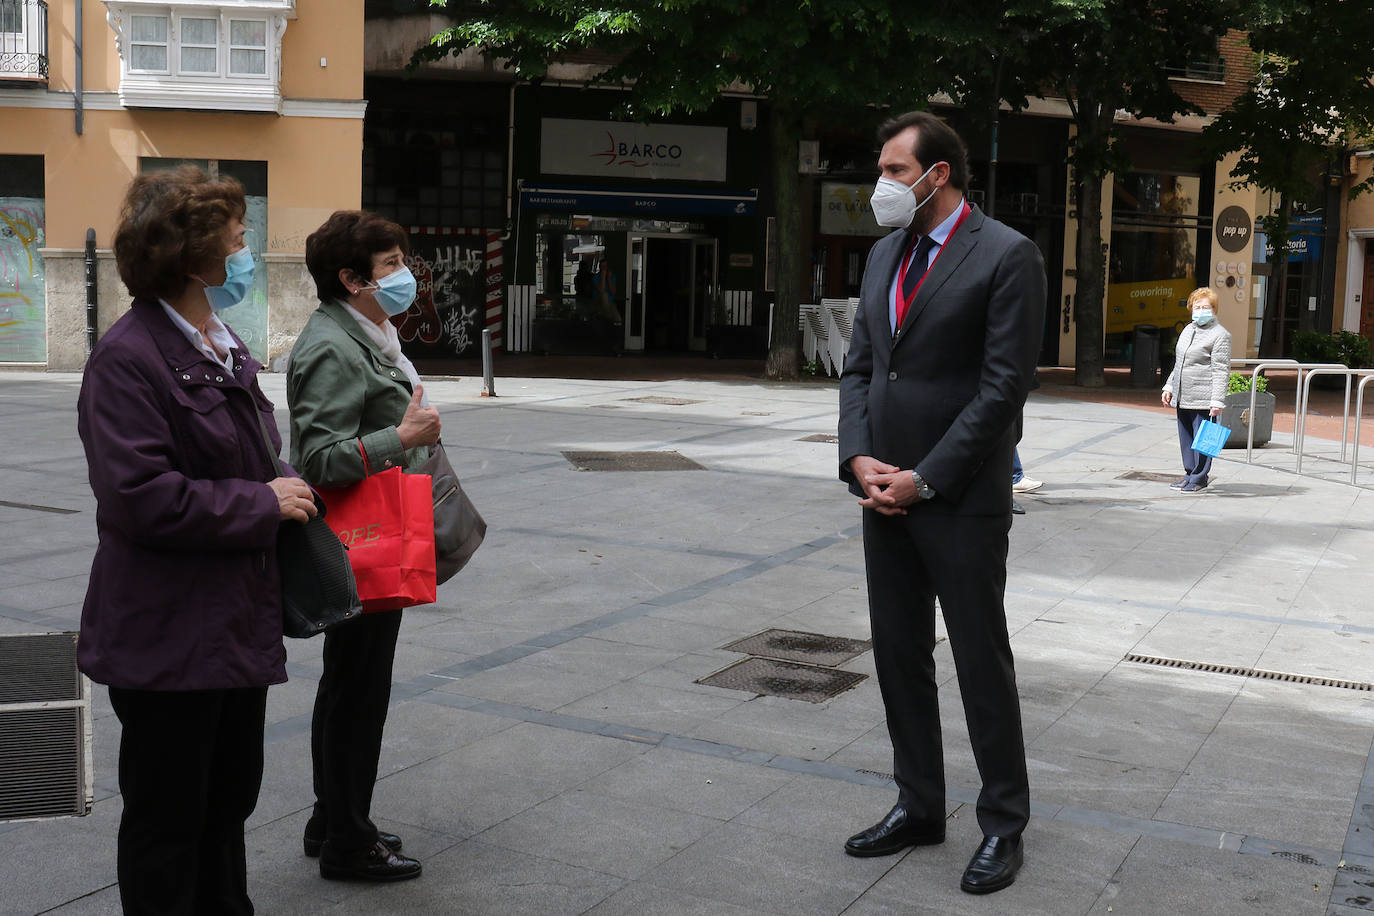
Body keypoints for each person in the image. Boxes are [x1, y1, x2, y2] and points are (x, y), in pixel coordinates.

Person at [77, 166, 316, 914]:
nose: (246, 244)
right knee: (168, 820)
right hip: (167, 634)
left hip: (231, 624)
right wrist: (262, 501)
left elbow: (246, 451)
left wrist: (283, 486)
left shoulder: (215, 341)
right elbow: (140, 498)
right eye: (234, 233)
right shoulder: (128, 358)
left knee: (226, 804)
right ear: (191, 254)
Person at [837, 111, 1045, 895]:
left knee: (978, 658)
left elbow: (1002, 390)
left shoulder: (1006, 255)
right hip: (881, 492)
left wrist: (925, 477)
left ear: (938, 174)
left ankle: (1003, 824)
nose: (883, 185)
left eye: (895, 171)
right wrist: (859, 460)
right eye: (884, 169)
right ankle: (919, 804)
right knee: (897, 654)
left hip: (956, 497)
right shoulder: (885, 253)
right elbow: (861, 368)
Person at [286, 210, 439, 882]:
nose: (405, 274)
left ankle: (334, 817)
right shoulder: (331, 346)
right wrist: (399, 441)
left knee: (350, 684)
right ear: (350, 279)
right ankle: (349, 839)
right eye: (390, 265)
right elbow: (318, 459)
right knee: (357, 691)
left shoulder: (368, 330)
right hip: (360, 542)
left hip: (372, 536)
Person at [1161, 286, 1231, 492]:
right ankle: (1189, 474)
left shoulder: (1220, 335)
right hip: (1184, 394)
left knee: (1204, 439)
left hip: (1204, 396)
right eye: (1197, 306)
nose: (1201, 310)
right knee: (1186, 438)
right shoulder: (1188, 329)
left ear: (1214, 309)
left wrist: (1217, 401)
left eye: (1206, 307)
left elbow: (1221, 370)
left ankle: (1200, 477)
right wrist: (1169, 386)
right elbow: (1179, 362)